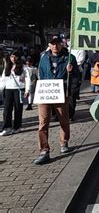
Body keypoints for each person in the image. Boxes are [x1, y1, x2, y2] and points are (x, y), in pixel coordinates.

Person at [34, 35, 78, 165]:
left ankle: (64, 142)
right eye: (52, 43)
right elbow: (40, 73)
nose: (55, 46)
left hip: (61, 93)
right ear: (49, 45)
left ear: (62, 44)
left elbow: (76, 77)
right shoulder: (44, 57)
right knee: (43, 122)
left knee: (63, 119)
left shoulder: (69, 57)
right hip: (46, 93)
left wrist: (71, 71)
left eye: (57, 43)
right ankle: (44, 150)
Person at [0, 51, 30, 136]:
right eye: (11, 57)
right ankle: (7, 127)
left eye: (15, 57)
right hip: (8, 89)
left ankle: (17, 127)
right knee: (7, 109)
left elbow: (27, 79)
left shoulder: (23, 67)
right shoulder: (7, 66)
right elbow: (3, 79)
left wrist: (27, 90)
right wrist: (1, 89)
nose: (13, 59)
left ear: (18, 57)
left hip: (19, 89)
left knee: (18, 109)